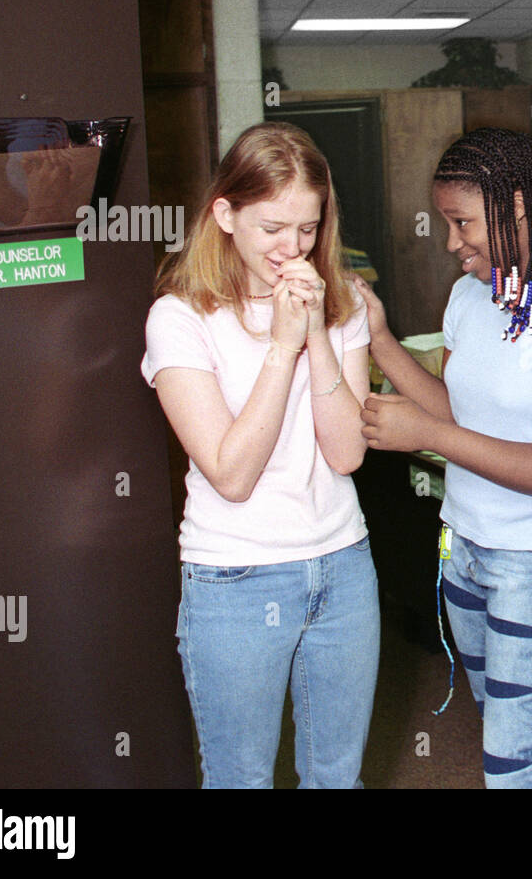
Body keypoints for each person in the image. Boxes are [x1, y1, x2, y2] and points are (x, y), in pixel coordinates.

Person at [356, 127, 532, 789]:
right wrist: (379, 339)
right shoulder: (469, 297)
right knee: (531, 750)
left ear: (514, 206)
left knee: (515, 771)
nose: (452, 243)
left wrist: (424, 433)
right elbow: (458, 411)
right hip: (469, 552)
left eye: (463, 223)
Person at [141, 122, 378, 788]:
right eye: (273, 227)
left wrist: (316, 333)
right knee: (240, 780)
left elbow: (347, 452)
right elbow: (232, 473)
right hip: (235, 578)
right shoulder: (179, 318)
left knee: (337, 779)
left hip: (342, 565)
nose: (292, 247)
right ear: (225, 214)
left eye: (307, 228)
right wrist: (281, 346)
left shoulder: (344, 301)